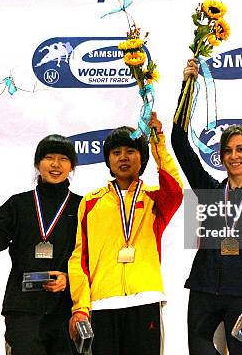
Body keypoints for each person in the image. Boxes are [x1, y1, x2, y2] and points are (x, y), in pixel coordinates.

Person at [171, 59, 242, 355]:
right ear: (220, 157)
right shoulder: (209, 189)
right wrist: (188, 86)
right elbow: (179, 142)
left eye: (241, 149)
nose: (234, 156)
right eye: (228, 151)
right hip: (203, 293)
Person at [68, 115, 183, 355]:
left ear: (142, 158)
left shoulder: (155, 199)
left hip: (145, 300)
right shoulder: (91, 202)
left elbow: (175, 190)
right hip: (102, 303)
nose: (123, 157)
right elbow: (80, 258)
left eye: (131, 151)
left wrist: (157, 141)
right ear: (108, 160)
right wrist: (81, 306)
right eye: (116, 152)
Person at [0, 134, 82, 355]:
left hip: (67, 309)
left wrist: (69, 277)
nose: (56, 165)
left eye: (63, 159)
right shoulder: (18, 204)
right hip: (23, 311)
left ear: (71, 166)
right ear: (38, 164)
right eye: (49, 157)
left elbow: (94, 257)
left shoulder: (83, 206)